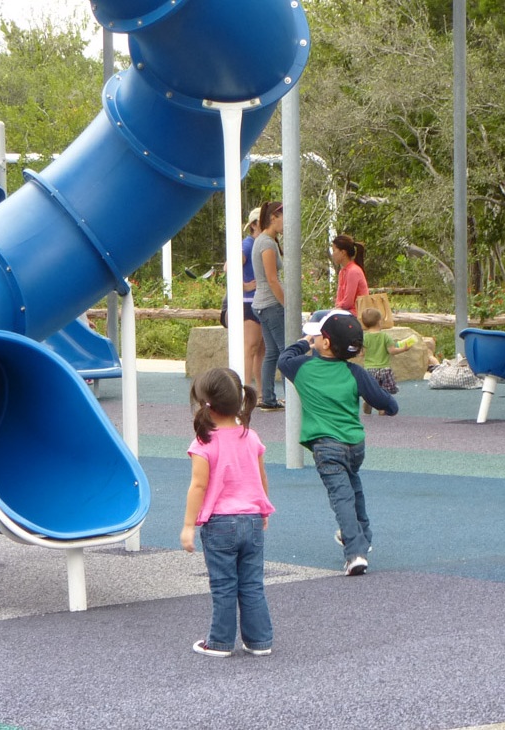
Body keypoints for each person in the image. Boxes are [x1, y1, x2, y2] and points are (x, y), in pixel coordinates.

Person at [277, 309, 398, 575]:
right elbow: (383, 400)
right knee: (353, 487)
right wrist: (390, 407)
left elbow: (284, 359)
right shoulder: (354, 372)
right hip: (355, 445)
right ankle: (362, 537)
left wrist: (303, 344)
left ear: (326, 343)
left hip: (326, 447)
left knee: (341, 496)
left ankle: (354, 552)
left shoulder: (302, 367)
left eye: (318, 337)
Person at [180, 367, 275, 657]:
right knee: (252, 583)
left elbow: (199, 485)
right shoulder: (250, 436)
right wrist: (263, 509)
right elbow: (261, 477)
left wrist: (188, 525)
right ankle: (259, 641)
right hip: (251, 519)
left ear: (204, 404)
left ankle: (220, 642)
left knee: (223, 585)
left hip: (220, 523)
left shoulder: (204, 442)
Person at [220, 209, 265, 393]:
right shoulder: (248, 244)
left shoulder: (262, 244)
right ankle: (246, 389)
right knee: (251, 347)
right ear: (254, 224)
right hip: (247, 302)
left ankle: (261, 392)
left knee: (261, 350)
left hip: (259, 300)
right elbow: (228, 267)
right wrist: (244, 286)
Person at [251, 201, 287, 411]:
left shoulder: (265, 240)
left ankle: (268, 398)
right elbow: (272, 279)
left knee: (272, 352)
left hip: (263, 304)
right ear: (274, 217)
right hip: (271, 304)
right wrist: (287, 305)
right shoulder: (266, 243)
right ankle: (291, 397)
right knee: (286, 351)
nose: (285, 223)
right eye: (283, 218)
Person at [358, 307, 411, 413]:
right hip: (384, 369)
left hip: (370, 369)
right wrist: (403, 349)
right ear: (379, 322)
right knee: (385, 390)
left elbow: (361, 353)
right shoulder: (385, 337)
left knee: (371, 389)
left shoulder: (364, 338)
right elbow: (392, 351)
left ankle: (368, 402)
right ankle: (382, 408)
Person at [331, 234, 368, 311]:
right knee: (318, 315)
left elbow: (348, 303)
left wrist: (337, 308)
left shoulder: (353, 271)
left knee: (318, 315)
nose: (333, 254)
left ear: (343, 252)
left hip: (355, 314)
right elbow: (339, 298)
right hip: (344, 312)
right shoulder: (342, 272)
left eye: (334, 251)